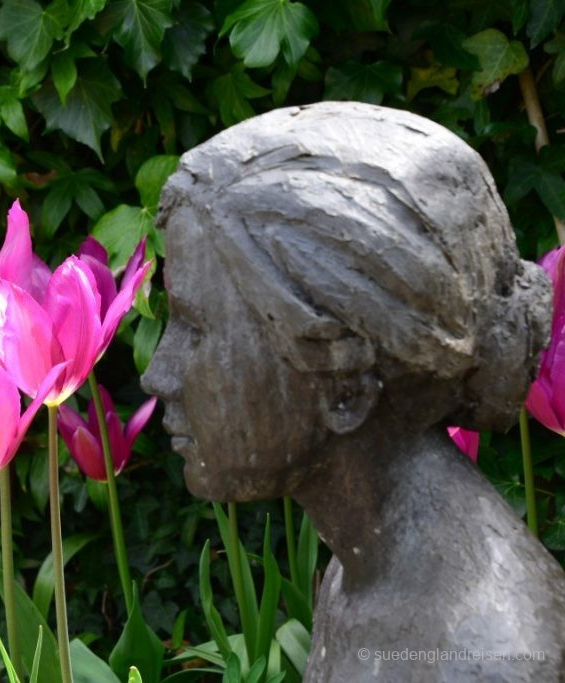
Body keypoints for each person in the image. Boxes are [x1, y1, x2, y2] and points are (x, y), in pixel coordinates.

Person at [141, 102, 565, 682]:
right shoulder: (364, 568)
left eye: (195, 326)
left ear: (347, 384)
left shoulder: (483, 656)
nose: (157, 375)